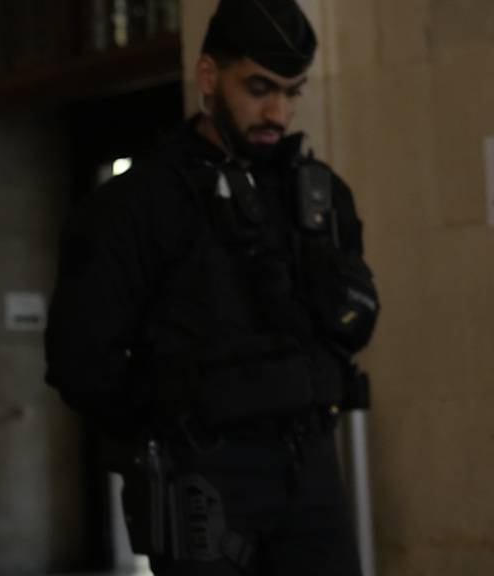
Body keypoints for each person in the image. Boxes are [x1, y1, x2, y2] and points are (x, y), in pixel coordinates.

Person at [44, 0, 380, 574]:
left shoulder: (318, 198)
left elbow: (352, 321)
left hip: (310, 468)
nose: (278, 110)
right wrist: (166, 432)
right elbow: (81, 359)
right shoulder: (136, 206)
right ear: (208, 76)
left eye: (292, 91)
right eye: (259, 87)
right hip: (201, 475)